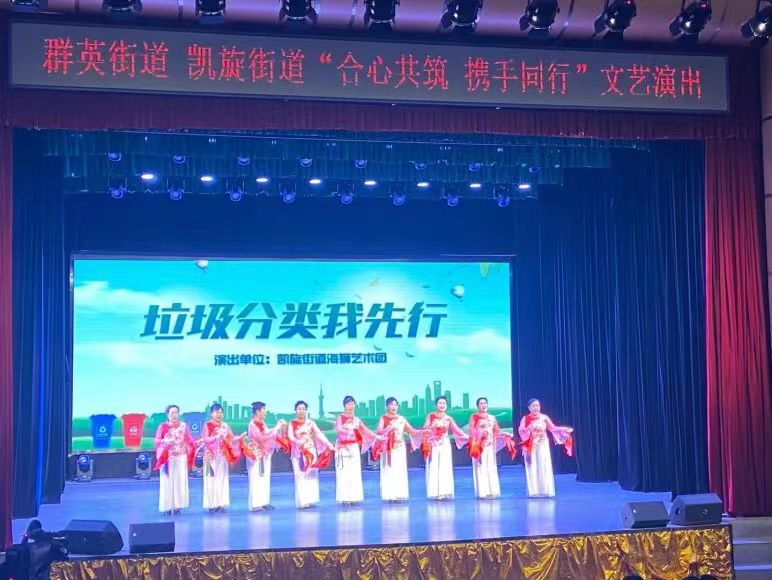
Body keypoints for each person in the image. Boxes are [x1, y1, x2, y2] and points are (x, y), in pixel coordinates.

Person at [517, 398, 574, 498]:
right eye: (533, 406)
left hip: (543, 445)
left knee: (544, 466)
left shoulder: (544, 417)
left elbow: (553, 428)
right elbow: (521, 430)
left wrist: (563, 429)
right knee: (532, 467)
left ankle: (545, 490)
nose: (536, 408)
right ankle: (534, 491)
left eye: (537, 405)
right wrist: (527, 428)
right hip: (530, 445)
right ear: (529, 408)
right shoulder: (525, 419)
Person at [372, 397, 422, 502]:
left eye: (395, 404)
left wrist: (424, 432)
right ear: (387, 406)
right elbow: (379, 432)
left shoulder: (401, 419)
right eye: (391, 405)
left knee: (399, 470)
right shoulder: (384, 418)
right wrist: (388, 427)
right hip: (389, 448)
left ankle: (399, 494)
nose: (394, 407)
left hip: (400, 447)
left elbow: (411, 431)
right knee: (389, 470)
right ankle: (389, 495)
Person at [287, 400, 335, 509]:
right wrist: (297, 442)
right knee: (300, 475)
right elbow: (290, 436)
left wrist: (328, 443)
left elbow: (318, 434)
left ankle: (311, 500)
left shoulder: (310, 423)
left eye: (303, 409)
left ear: (306, 411)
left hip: (311, 452)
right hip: (299, 453)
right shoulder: (292, 424)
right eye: (299, 409)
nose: (301, 411)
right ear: (295, 410)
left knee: (311, 475)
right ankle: (303, 502)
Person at [241, 401, 288, 511]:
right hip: (256, 454)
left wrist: (279, 427)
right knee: (256, 477)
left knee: (264, 477)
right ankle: (256, 504)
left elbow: (268, 433)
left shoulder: (262, 423)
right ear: (257, 411)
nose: (265, 412)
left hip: (265, 454)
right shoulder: (252, 424)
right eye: (263, 410)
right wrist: (276, 428)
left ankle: (264, 502)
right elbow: (261, 438)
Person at [468, 397, 517, 499]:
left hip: (490, 447)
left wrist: (504, 434)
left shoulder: (492, 418)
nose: (483, 405)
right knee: (480, 468)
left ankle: (491, 491)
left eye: (485, 403)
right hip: (479, 446)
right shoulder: (474, 417)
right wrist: (480, 434)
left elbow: (496, 431)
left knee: (490, 468)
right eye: (481, 404)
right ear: (478, 406)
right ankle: (482, 492)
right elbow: (471, 431)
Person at [422, 396, 469, 500]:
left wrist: (468, 437)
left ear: (446, 405)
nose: (442, 405)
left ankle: (445, 492)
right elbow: (425, 427)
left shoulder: (448, 418)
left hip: (445, 444)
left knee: (444, 467)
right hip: (434, 444)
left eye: (444, 403)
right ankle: (434, 492)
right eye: (440, 403)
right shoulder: (431, 416)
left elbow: (457, 430)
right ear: (436, 405)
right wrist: (433, 430)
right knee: (434, 466)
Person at [334, 395, 377, 505]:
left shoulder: (357, 420)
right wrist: (350, 432)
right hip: (343, 449)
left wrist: (377, 437)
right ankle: (344, 499)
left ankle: (354, 498)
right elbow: (339, 429)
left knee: (354, 473)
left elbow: (366, 431)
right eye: (348, 404)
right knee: (343, 474)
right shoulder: (340, 418)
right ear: (344, 406)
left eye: (352, 404)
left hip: (353, 448)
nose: (351, 406)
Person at [153, 404, 195, 515]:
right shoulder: (163, 426)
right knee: (167, 482)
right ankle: (167, 507)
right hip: (167, 458)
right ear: (167, 415)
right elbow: (156, 441)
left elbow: (189, 440)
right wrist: (166, 441)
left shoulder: (183, 426)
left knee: (179, 481)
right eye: (172, 413)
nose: (174, 415)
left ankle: (177, 506)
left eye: (176, 412)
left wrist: (195, 443)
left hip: (181, 457)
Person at [202, 403, 242, 513]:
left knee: (221, 479)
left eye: (221, 412)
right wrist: (216, 437)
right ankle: (211, 505)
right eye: (217, 412)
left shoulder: (225, 425)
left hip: (223, 456)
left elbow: (231, 438)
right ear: (211, 414)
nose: (219, 414)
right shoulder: (207, 425)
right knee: (211, 480)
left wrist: (239, 438)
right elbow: (205, 439)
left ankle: (220, 504)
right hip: (210, 456)